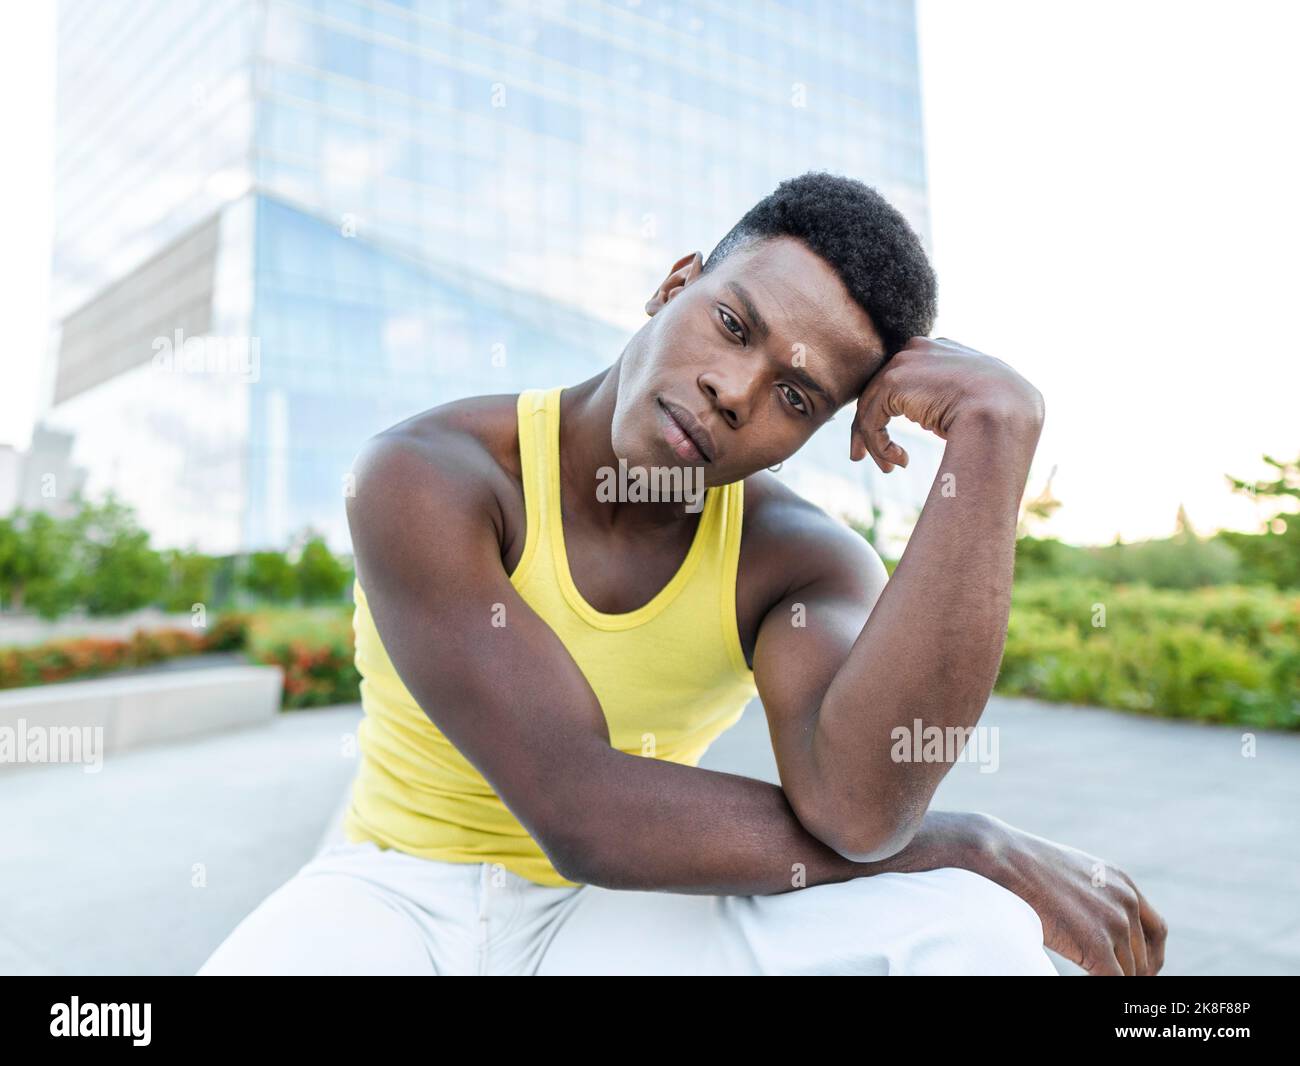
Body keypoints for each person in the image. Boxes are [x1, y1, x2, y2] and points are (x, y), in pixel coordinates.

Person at [198, 172, 1166, 976]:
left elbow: (858, 812)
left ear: (814, 433)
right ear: (673, 286)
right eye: (734, 325)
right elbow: (583, 809)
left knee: (974, 926)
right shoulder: (431, 472)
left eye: (795, 394)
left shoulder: (796, 559)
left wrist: (995, 435)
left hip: (619, 913)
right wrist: (969, 840)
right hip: (393, 884)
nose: (733, 392)